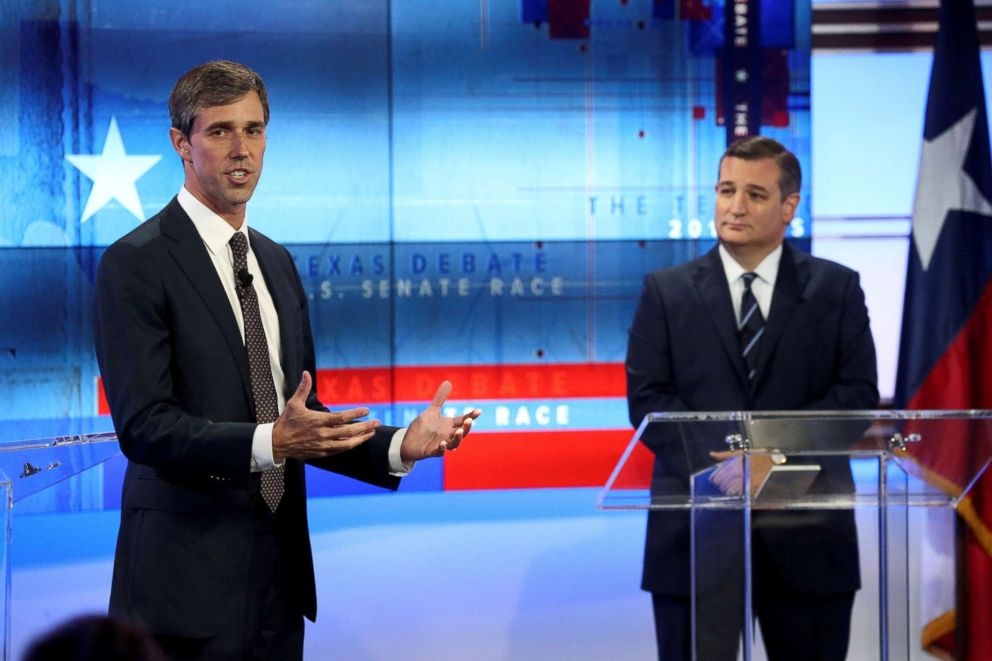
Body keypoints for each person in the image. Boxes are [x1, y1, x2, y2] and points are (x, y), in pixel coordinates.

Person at [93, 60, 481, 660]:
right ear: (181, 144)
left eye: (254, 129)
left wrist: (403, 445)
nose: (241, 150)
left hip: (277, 586)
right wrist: (271, 443)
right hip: (181, 594)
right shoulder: (136, 263)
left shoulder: (275, 262)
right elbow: (146, 427)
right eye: (220, 131)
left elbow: (304, 417)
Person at [625, 136, 878, 661]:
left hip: (808, 538)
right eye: (726, 190)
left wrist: (772, 458)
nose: (735, 206)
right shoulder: (665, 291)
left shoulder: (836, 289)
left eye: (755, 194)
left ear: (789, 206)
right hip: (696, 536)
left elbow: (855, 399)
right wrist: (728, 466)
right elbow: (649, 401)